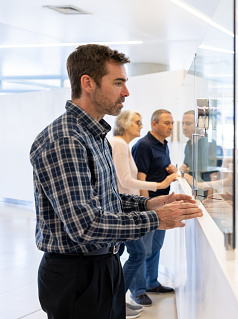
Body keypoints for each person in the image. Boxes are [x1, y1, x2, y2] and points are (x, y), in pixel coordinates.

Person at [30, 44, 203, 319]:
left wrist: (148, 204)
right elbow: (85, 226)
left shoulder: (94, 135)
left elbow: (106, 199)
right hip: (78, 275)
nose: (126, 92)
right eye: (118, 82)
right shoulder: (66, 139)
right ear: (88, 83)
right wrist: (157, 219)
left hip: (103, 263)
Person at [110, 110, 179, 315]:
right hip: (129, 208)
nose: (140, 126)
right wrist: (154, 194)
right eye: (137, 122)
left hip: (135, 205)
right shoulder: (125, 145)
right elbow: (127, 181)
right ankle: (128, 295)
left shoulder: (132, 145)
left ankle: (129, 294)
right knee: (139, 252)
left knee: (142, 250)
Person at [131, 109, 178, 306]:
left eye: (172, 123)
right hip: (149, 206)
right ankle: (138, 290)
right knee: (143, 249)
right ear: (154, 124)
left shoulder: (163, 145)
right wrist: (146, 208)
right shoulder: (143, 145)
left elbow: (161, 170)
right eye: (167, 123)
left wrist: (172, 170)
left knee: (155, 247)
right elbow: (140, 180)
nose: (171, 127)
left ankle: (151, 282)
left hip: (162, 204)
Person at [180, 110, 221, 182]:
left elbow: (213, 175)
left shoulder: (210, 145)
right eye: (183, 123)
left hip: (204, 189)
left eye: (188, 124)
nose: (184, 127)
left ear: (199, 125)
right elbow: (188, 167)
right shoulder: (188, 144)